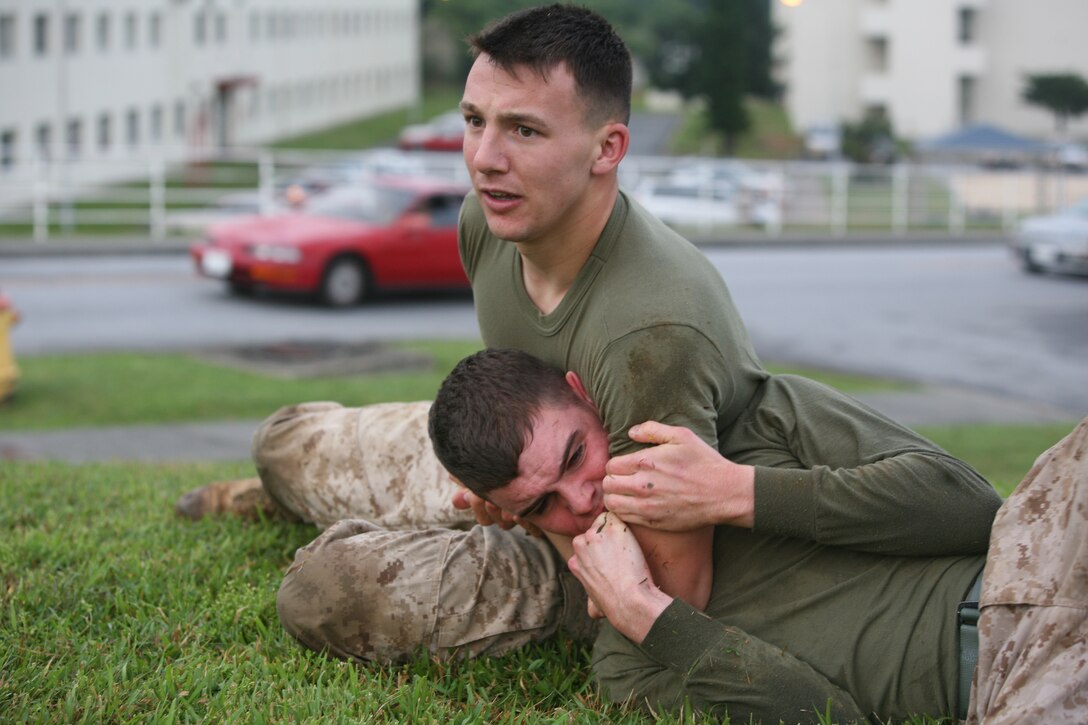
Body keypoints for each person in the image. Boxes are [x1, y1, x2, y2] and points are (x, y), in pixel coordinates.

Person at [427, 348, 1087, 724]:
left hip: (1043, 555)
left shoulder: (762, 419)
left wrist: (738, 493)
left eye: (577, 455)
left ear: (585, 395)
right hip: (1013, 682)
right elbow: (826, 717)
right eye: (544, 503)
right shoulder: (627, 656)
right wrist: (649, 614)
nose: (583, 496)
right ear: (514, 515)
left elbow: (974, 508)